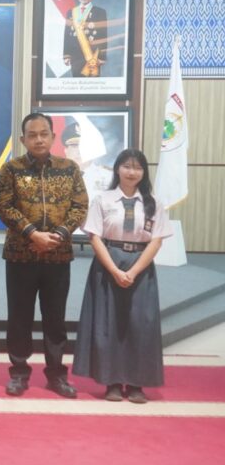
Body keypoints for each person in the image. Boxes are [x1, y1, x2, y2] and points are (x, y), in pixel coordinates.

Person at [0, 112, 88, 398]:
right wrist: (32, 234)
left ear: (53, 136)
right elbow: (4, 206)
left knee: (55, 319)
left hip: (57, 256)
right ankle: (19, 373)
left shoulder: (69, 169)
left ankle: (57, 374)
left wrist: (58, 235)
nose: (38, 139)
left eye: (43, 134)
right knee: (19, 317)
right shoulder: (11, 170)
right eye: (32, 135)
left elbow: (80, 206)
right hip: (20, 256)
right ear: (23, 139)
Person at [73, 149, 171, 404]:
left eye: (137, 167)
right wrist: (115, 271)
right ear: (117, 169)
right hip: (108, 264)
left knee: (140, 324)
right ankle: (112, 382)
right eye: (127, 166)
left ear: (144, 172)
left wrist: (134, 271)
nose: (131, 172)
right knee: (109, 324)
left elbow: (156, 241)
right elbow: (95, 237)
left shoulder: (153, 203)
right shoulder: (102, 200)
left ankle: (137, 383)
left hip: (141, 267)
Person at [62, 0, 108, 78]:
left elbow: (103, 35)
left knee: (93, 84)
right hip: (75, 54)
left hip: (92, 55)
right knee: (77, 83)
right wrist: (66, 55)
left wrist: (102, 56)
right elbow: (67, 35)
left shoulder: (100, 12)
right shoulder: (71, 12)